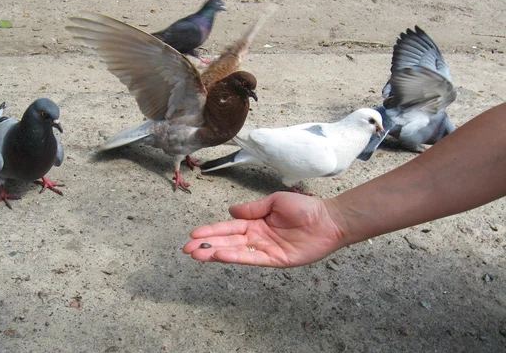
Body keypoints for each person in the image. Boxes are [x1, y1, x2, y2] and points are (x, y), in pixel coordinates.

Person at [183, 103, 506, 268]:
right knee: (319, 167)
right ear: (359, 121)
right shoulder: (326, 156)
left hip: (284, 149)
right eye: (373, 124)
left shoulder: (340, 144)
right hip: (271, 151)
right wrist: (334, 218)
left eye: (378, 125)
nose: (379, 130)